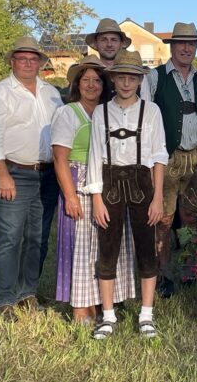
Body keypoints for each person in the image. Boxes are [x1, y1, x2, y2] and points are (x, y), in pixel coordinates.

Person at [0, 36, 63, 321]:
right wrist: (2, 175)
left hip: (47, 173)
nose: (28, 63)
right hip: (14, 171)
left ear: (40, 62)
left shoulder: (51, 93)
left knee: (37, 238)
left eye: (33, 59)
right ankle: (4, 298)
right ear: (12, 61)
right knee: (9, 238)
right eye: (22, 58)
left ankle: (27, 292)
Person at [88, 50, 169, 340]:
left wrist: (158, 197)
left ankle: (146, 313)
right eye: (121, 77)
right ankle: (108, 316)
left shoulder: (152, 111)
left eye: (132, 78)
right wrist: (97, 197)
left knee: (147, 247)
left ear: (139, 80)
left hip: (142, 182)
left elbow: (159, 155)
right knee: (107, 247)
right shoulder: (101, 112)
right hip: (109, 182)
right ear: (113, 79)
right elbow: (95, 155)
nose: (126, 83)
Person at [51, 56, 136, 325]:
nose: (91, 85)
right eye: (85, 80)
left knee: (102, 246)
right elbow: (60, 158)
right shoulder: (68, 112)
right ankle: (80, 308)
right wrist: (70, 195)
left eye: (96, 80)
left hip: (105, 182)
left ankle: (100, 302)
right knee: (79, 247)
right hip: (78, 180)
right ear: (77, 84)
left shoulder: (104, 113)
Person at [141, 22, 197, 300]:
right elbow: (147, 117)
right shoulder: (155, 77)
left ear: (196, 47)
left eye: (191, 44)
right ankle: (165, 274)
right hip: (167, 157)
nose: (186, 48)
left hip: (196, 156)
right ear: (172, 46)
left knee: (192, 217)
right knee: (164, 218)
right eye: (181, 43)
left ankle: (190, 270)